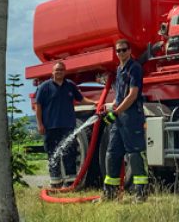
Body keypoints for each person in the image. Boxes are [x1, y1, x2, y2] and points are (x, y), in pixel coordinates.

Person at [100, 39, 149, 202]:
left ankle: (140, 194)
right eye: (118, 50)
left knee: (134, 154)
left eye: (123, 50)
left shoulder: (134, 68)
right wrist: (110, 108)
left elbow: (133, 94)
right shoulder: (119, 69)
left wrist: (117, 112)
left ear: (130, 51)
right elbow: (120, 96)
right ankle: (110, 193)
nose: (120, 53)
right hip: (119, 118)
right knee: (112, 153)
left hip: (132, 117)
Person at [34, 61, 96, 188]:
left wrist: (96, 103)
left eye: (61, 70)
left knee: (70, 153)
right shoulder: (45, 87)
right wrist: (40, 124)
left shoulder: (70, 86)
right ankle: (55, 182)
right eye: (57, 70)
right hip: (51, 127)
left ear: (65, 71)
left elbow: (81, 99)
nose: (59, 72)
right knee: (52, 154)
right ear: (52, 72)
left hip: (68, 126)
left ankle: (69, 182)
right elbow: (38, 106)